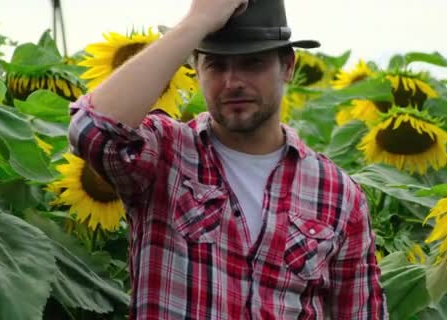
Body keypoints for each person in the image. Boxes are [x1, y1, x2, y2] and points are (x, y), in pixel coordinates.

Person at [68, 0, 388, 318]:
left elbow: (361, 312)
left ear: (288, 66)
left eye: (253, 63)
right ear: (195, 67)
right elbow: (90, 131)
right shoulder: (165, 153)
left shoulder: (337, 193)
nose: (233, 82)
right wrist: (196, 23)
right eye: (216, 65)